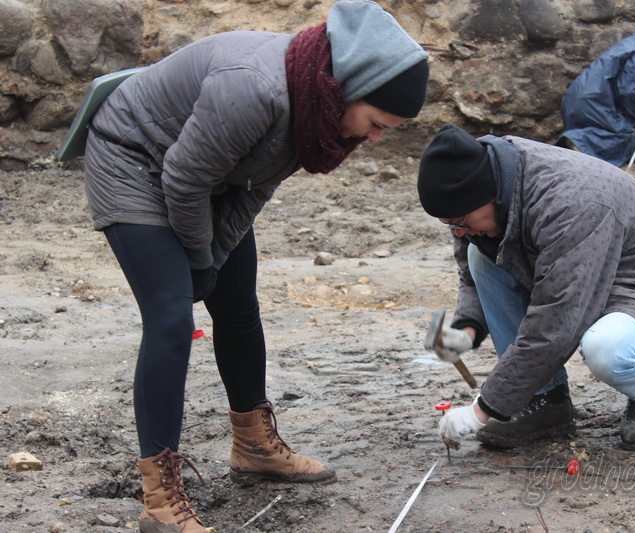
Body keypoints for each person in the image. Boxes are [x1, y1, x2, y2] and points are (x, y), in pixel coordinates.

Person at [80, 1, 429, 531]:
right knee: (172, 318)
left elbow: (257, 184)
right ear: (349, 86)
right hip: (135, 159)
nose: (375, 138)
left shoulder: (317, 107)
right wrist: (198, 259)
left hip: (208, 175)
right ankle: (159, 501)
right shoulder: (258, 88)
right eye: (377, 123)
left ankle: (253, 446)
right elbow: (183, 181)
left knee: (237, 300)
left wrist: (214, 255)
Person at [416, 123, 635, 453]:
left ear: (488, 195)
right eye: (451, 226)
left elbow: (555, 324)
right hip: (591, 267)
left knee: (607, 348)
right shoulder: (476, 186)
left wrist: (482, 410)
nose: (459, 232)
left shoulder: (570, 203)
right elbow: (472, 273)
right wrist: (467, 331)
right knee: (481, 255)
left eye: (460, 223)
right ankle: (544, 403)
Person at [557, 13, 635, 167]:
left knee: (607, 129)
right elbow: (626, 92)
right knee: (625, 134)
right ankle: (578, 142)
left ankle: (578, 146)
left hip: (576, 97)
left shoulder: (630, 44)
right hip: (593, 100)